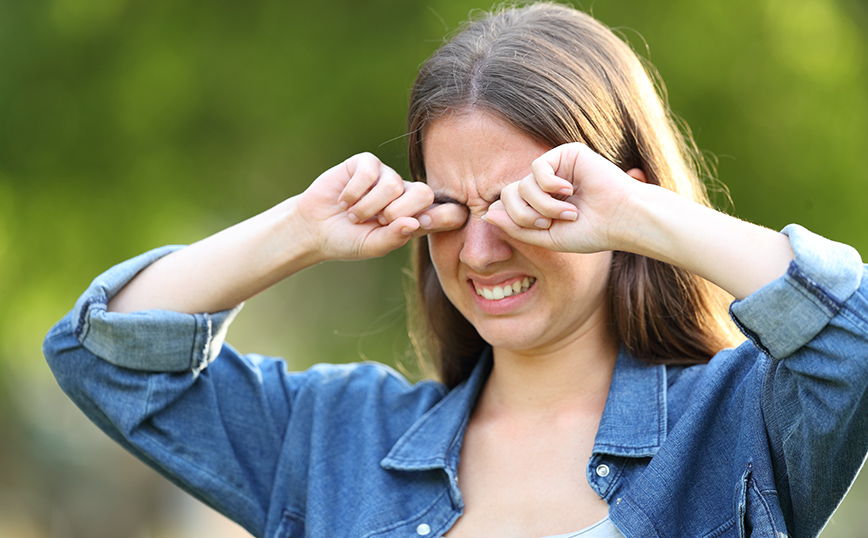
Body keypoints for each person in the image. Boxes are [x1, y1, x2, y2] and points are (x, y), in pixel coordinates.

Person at [43, 3, 868, 537]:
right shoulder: (337, 438)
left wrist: (641, 221)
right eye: (453, 210)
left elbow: (853, 335)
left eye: (526, 207)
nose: (480, 252)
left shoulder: (737, 421)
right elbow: (104, 356)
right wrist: (299, 229)